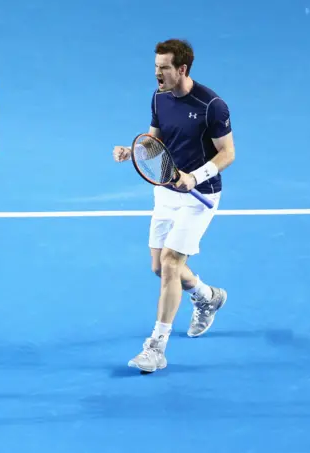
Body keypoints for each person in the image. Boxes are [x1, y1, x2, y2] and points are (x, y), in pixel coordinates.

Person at [112, 39, 236, 373]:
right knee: (159, 267)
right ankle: (207, 296)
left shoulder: (212, 105)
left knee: (170, 263)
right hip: (167, 191)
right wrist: (132, 150)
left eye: (164, 67)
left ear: (181, 69)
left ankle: (156, 347)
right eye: (155, 67)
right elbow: (156, 142)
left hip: (200, 196)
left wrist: (195, 177)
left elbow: (228, 153)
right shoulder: (159, 97)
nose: (157, 74)